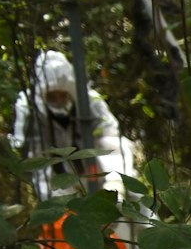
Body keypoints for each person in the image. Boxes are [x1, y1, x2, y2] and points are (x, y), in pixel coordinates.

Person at [9, 49, 128, 201]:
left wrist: (115, 182)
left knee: (128, 200)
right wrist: (53, 200)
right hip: (61, 180)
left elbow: (110, 139)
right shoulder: (32, 112)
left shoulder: (91, 103)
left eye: (62, 94)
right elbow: (37, 159)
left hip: (96, 171)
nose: (58, 100)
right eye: (52, 96)